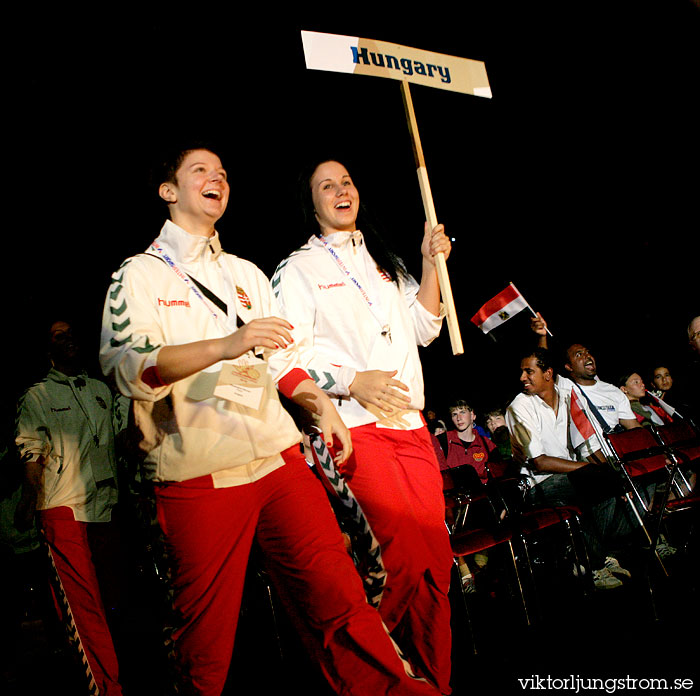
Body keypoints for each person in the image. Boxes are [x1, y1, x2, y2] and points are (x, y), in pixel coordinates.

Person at [99, 145, 441, 696]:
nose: (217, 178)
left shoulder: (247, 275)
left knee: (342, 601)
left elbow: (277, 363)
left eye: (223, 172)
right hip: (200, 475)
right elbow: (128, 368)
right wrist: (226, 344)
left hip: (280, 463)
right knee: (204, 645)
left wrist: (319, 402)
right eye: (200, 171)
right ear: (169, 191)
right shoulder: (138, 276)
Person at [271, 158, 454, 694]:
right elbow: (284, 358)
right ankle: (366, 669)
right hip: (354, 426)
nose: (340, 190)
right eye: (326, 185)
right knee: (398, 553)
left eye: (346, 180)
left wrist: (428, 264)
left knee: (436, 565)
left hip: (411, 426)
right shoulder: (297, 269)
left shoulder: (383, 261)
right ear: (312, 203)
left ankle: (433, 681)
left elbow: (424, 328)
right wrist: (352, 381)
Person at [15, 320, 124, 695]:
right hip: (64, 510)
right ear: (47, 349)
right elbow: (30, 450)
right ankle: (108, 689)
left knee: (113, 604)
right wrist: (30, 499)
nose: (69, 340)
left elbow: (120, 440)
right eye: (58, 336)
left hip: (107, 509)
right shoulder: (38, 396)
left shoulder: (100, 390)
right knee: (85, 612)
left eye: (71, 333)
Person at [505, 348, 634, 590]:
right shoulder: (518, 407)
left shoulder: (567, 396)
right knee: (595, 482)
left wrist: (605, 470)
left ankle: (587, 555)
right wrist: (588, 470)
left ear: (548, 373)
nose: (522, 378)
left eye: (529, 371)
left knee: (619, 482)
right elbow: (539, 461)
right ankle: (592, 562)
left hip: (572, 477)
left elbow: (587, 443)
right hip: (538, 485)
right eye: (522, 372)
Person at [432, 400, 506, 490]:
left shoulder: (487, 445)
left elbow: (499, 479)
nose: (459, 418)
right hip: (455, 497)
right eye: (454, 414)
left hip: (482, 497)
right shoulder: (442, 441)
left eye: (462, 412)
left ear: (472, 416)